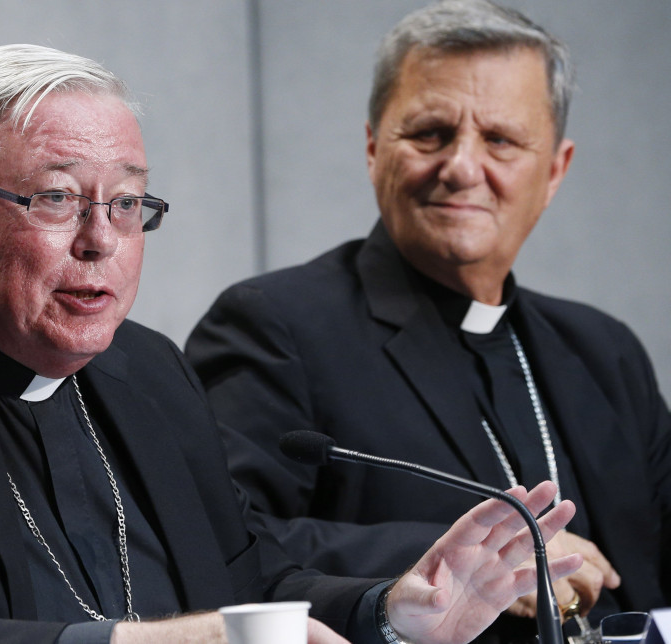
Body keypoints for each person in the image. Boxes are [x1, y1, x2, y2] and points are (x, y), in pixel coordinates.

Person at [0, 43, 578, 644]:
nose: (99, 240)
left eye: (126, 204)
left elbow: (244, 581)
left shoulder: (143, 369)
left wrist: (392, 612)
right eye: (56, 198)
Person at [186, 0, 670, 640]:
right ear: (371, 147)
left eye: (500, 139)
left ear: (554, 170)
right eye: (430, 134)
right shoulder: (278, 326)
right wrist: (473, 560)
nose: (462, 167)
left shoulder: (604, 352)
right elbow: (217, 540)